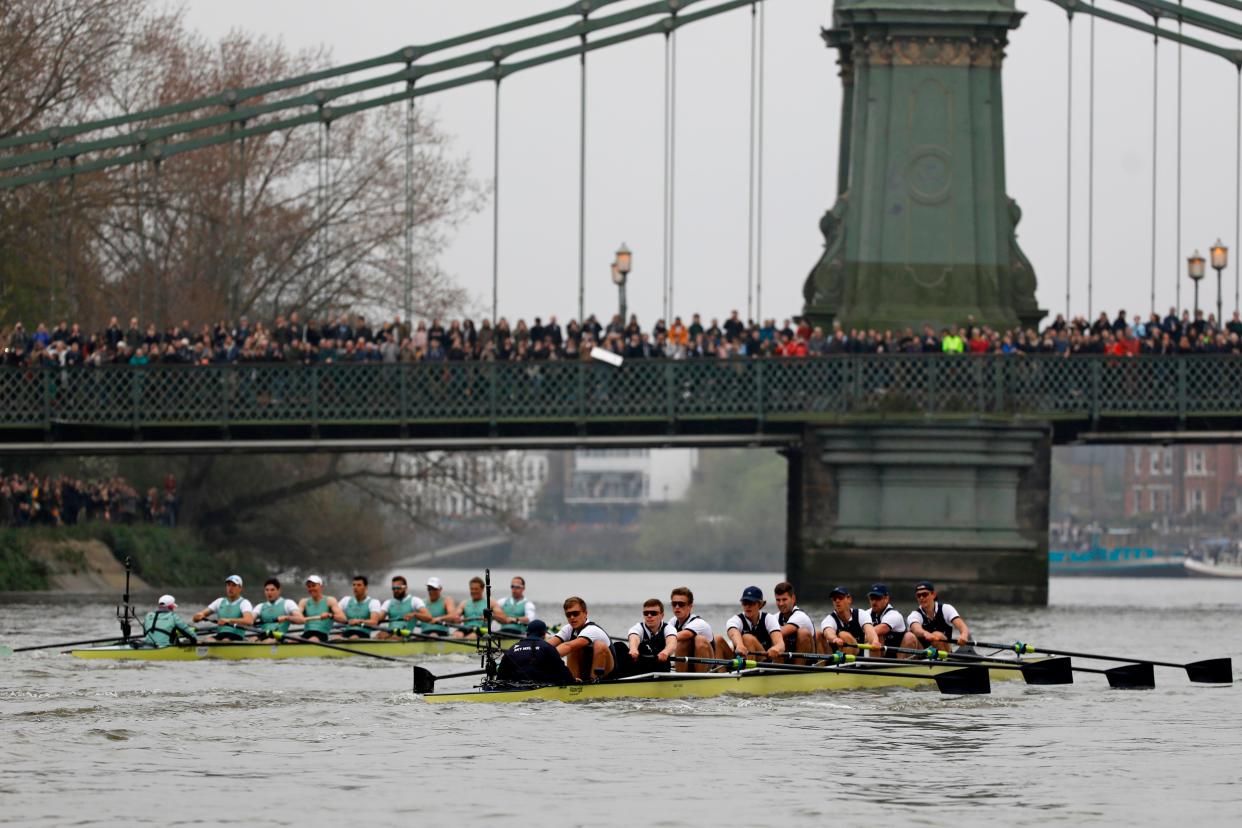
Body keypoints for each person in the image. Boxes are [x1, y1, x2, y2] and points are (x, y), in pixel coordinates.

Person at [548, 596, 615, 681]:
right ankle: (573, 682)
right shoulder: (568, 628)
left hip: (608, 673)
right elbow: (547, 646)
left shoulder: (592, 629)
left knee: (597, 645)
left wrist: (545, 657)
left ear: (585, 613)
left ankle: (594, 682)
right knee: (574, 646)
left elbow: (568, 647)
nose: (572, 617)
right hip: (586, 669)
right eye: (568, 615)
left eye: (575, 613)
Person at [714, 586, 784, 663]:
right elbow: (733, 633)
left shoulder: (769, 619)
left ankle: (749, 672)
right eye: (745, 603)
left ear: (760, 604)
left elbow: (780, 644)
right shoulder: (736, 620)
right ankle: (722, 674)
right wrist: (739, 645)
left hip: (764, 660)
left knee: (747, 638)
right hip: (740, 659)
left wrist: (776, 649)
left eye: (751, 603)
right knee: (717, 639)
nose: (747, 606)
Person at [496, 620, 576, 686]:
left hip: (515, 687)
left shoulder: (512, 648)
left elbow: (500, 676)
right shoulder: (547, 647)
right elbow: (562, 670)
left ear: (527, 633)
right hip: (542, 686)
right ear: (544, 634)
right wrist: (573, 681)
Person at [614, 598, 677, 678]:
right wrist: (633, 649)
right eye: (646, 613)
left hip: (660, 668)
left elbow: (672, 642)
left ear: (662, 615)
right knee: (618, 646)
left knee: (652, 645)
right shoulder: (637, 627)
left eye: (653, 613)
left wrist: (666, 652)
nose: (649, 616)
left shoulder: (669, 628)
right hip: (640, 668)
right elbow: (634, 638)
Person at [906, 580, 971, 652]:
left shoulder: (946, 609)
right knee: (908, 636)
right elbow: (916, 629)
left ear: (933, 594)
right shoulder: (914, 615)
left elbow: (962, 626)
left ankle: (944, 660)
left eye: (924, 594)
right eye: (918, 595)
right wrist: (925, 633)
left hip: (945, 652)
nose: (921, 598)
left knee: (937, 635)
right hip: (923, 652)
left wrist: (964, 635)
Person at [819, 586, 879, 655]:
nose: (837, 601)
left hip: (857, 657)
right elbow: (828, 632)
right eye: (834, 599)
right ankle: (820, 665)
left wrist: (874, 641)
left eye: (840, 597)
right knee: (818, 635)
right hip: (836, 658)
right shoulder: (829, 619)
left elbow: (869, 631)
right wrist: (834, 639)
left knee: (843, 635)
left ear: (849, 599)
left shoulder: (861, 614)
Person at [192, 575, 254, 641]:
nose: (230, 588)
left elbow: (249, 621)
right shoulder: (219, 601)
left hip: (237, 636)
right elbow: (198, 617)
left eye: (234, 585)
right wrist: (198, 617)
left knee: (226, 640)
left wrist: (228, 620)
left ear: (240, 588)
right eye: (228, 585)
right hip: (221, 635)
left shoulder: (244, 603)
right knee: (207, 640)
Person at [866, 583, 919, 658]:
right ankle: (874, 665)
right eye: (872, 598)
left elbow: (881, 629)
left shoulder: (894, 615)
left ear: (886, 599)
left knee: (909, 636)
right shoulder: (866, 614)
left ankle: (901, 665)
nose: (874, 602)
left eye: (878, 598)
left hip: (897, 656)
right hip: (879, 655)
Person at [669, 586, 714, 673]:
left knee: (693, 639)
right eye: (674, 604)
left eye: (681, 604)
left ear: (690, 606)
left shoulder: (699, 623)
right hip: (688, 662)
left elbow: (681, 635)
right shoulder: (673, 621)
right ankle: (680, 680)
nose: (677, 607)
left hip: (709, 666)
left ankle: (699, 680)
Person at [377, 575, 432, 639]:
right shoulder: (388, 603)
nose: (396, 590)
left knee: (395, 637)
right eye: (393, 588)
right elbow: (378, 619)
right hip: (391, 633)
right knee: (379, 636)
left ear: (405, 588)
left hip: (406, 635)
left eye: (398, 588)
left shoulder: (415, 601)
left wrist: (415, 614)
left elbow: (429, 617)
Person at [773, 581, 816, 662]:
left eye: (784, 599)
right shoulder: (775, 617)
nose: (781, 603)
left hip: (808, 662)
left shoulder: (800, 616)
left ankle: (798, 671)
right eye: (778, 600)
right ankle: (778, 670)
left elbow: (780, 633)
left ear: (793, 599)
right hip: (788, 659)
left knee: (802, 632)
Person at [297, 575, 344, 641]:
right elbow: (296, 616)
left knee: (313, 639)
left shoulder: (330, 600)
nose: (311, 588)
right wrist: (295, 617)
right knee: (289, 641)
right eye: (309, 586)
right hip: (306, 634)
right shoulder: (303, 602)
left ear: (321, 586)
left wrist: (330, 615)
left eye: (313, 586)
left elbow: (343, 619)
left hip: (322, 635)